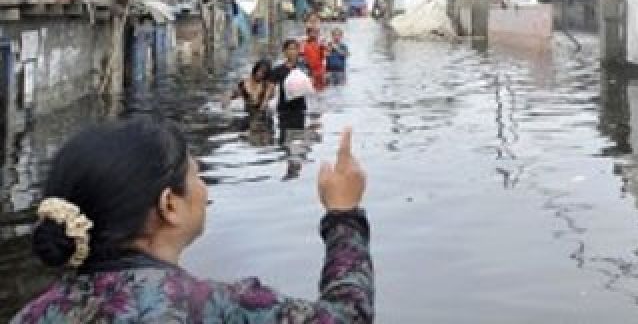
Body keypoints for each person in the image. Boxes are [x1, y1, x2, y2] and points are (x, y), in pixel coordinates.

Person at [12, 116, 372, 322]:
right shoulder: (218, 307)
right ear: (169, 204)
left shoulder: (32, 315)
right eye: (196, 175)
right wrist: (344, 216)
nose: (204, 188)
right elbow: (347, 317)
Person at [270, 39, 312, 131]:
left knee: (299, 135)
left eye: (294, 49)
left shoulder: (304, 67)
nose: (292, 52)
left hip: (300, 107)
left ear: (298, 51)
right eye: (289, 49)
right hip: (284, 108)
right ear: (284, 52)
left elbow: (310, 84)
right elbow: (271, 89)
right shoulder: (278, 70)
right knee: (284, 136)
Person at [301, 21, 327, 91]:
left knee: (321, 89)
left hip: (319, 70)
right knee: (310, 88)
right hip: (309, 70)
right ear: (308, 34)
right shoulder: (304, 43)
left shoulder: (321, 43)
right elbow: (301, 56)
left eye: (316, 33)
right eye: (312, 32)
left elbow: (324, 56)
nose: (314, 34)